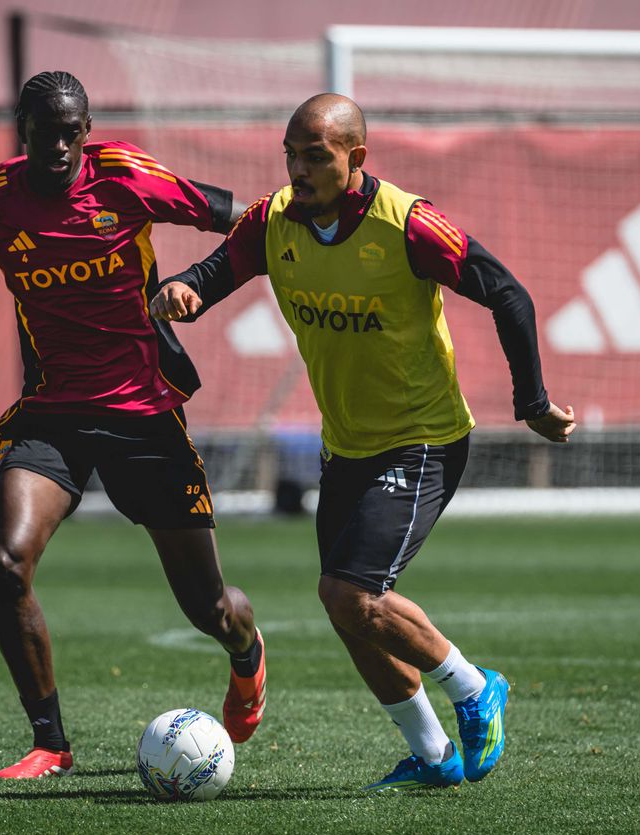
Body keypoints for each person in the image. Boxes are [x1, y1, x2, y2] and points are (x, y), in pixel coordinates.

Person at [0, 71, 267, 779]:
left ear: (87, 129)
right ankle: (50, 742)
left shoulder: (126, 178)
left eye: (72, 131)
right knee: (5, 562)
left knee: (209, 606)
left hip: (144, 414)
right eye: (45, 130)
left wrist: (200, 285)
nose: (59, 144)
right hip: (52, 414)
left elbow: (249, 223)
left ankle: (246, 654)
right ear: (23, 127)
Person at [151, 93, 575, 791]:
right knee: (347, 610)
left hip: (424, 439)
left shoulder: (407, 225)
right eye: (290, 154)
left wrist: (530, 402)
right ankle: (434, 756)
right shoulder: (272, 221)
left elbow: (509, 294)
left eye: (315, 156)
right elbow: (215, 272)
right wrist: (184, 291)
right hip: (345, 445)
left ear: (356, 159)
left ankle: (475, 688)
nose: (298, 169)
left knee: (354, 596)